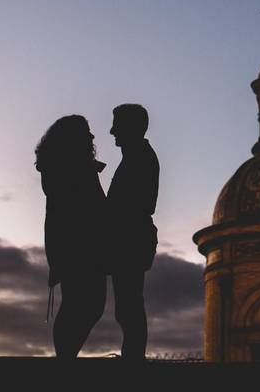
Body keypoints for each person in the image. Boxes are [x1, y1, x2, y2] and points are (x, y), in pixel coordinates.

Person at [35, 115, 108, 358]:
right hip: (79, 246)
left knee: (83, 303)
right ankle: (65, 359)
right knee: (85, 303)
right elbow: (84, 207)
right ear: (74, 139)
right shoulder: (70, 168)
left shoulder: (67, 167)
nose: (92, 137)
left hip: (76, 244)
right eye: (87, 133)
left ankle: (66, 358)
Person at [106, 103, 160, 360]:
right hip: (131, 238)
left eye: (117, 125)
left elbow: (136, 204)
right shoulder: (137, 155)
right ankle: (132, 358)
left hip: (130, 239)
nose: (111, 131)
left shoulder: (139, 157)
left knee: (129, 306)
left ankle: (133, 361)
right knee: (128, 305)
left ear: (131, 127)